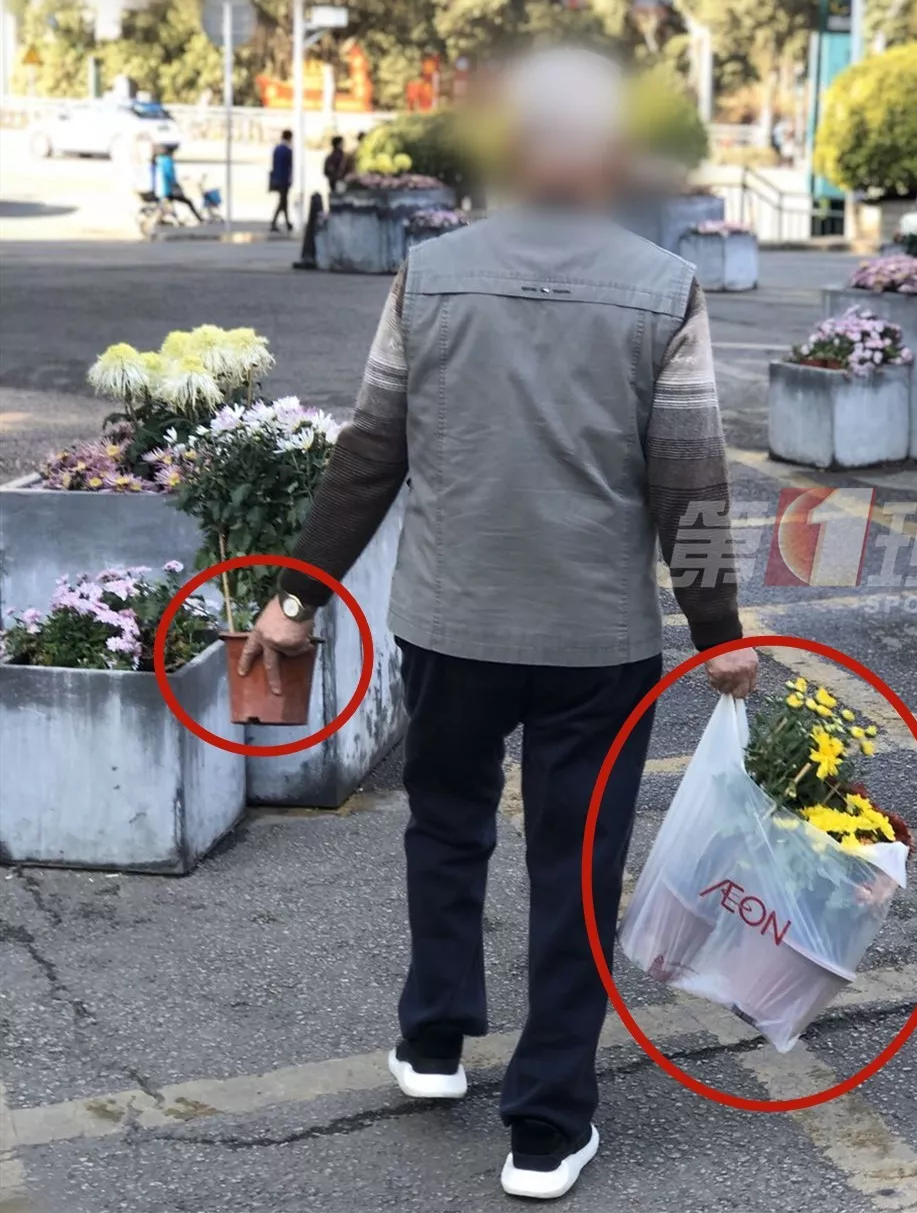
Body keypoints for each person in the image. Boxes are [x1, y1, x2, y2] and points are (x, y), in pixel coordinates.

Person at [239, 48, 757, 1202]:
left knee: (446, 825)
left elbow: (369, 452)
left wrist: (295, 595)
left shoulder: (427, 275)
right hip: (594, 641)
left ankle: (433, 1041)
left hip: (449, 622)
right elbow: (689, 481)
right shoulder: (663, 287)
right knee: (576, 866)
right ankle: (545, 1126)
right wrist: (718, 631)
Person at [154, 144, 201, 222]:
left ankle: (168, 219)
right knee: (188, 202)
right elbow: (169, 175)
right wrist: (175, 185)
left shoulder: (160, 160)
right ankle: (199, 218)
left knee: (166, 205)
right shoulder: (167, 160)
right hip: (168, 189)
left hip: (163, 189)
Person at [270, 129, 293, 233]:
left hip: (277, 178)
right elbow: (290, 166)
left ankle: (287, 223)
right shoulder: (287, 151)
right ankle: (275, 222)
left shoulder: (277, 149)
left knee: (283, 201)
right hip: (284, 179)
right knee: (283, 201)